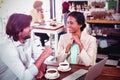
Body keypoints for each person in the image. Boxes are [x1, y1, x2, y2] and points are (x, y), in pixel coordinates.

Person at [0, 13, 53, 80]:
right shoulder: (7, 49)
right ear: (19, 30)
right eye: (28, 26)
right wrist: (44, 54)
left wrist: (41, 69)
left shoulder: (28, 40)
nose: (31, 27)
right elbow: (25, 77)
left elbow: (39, 58)